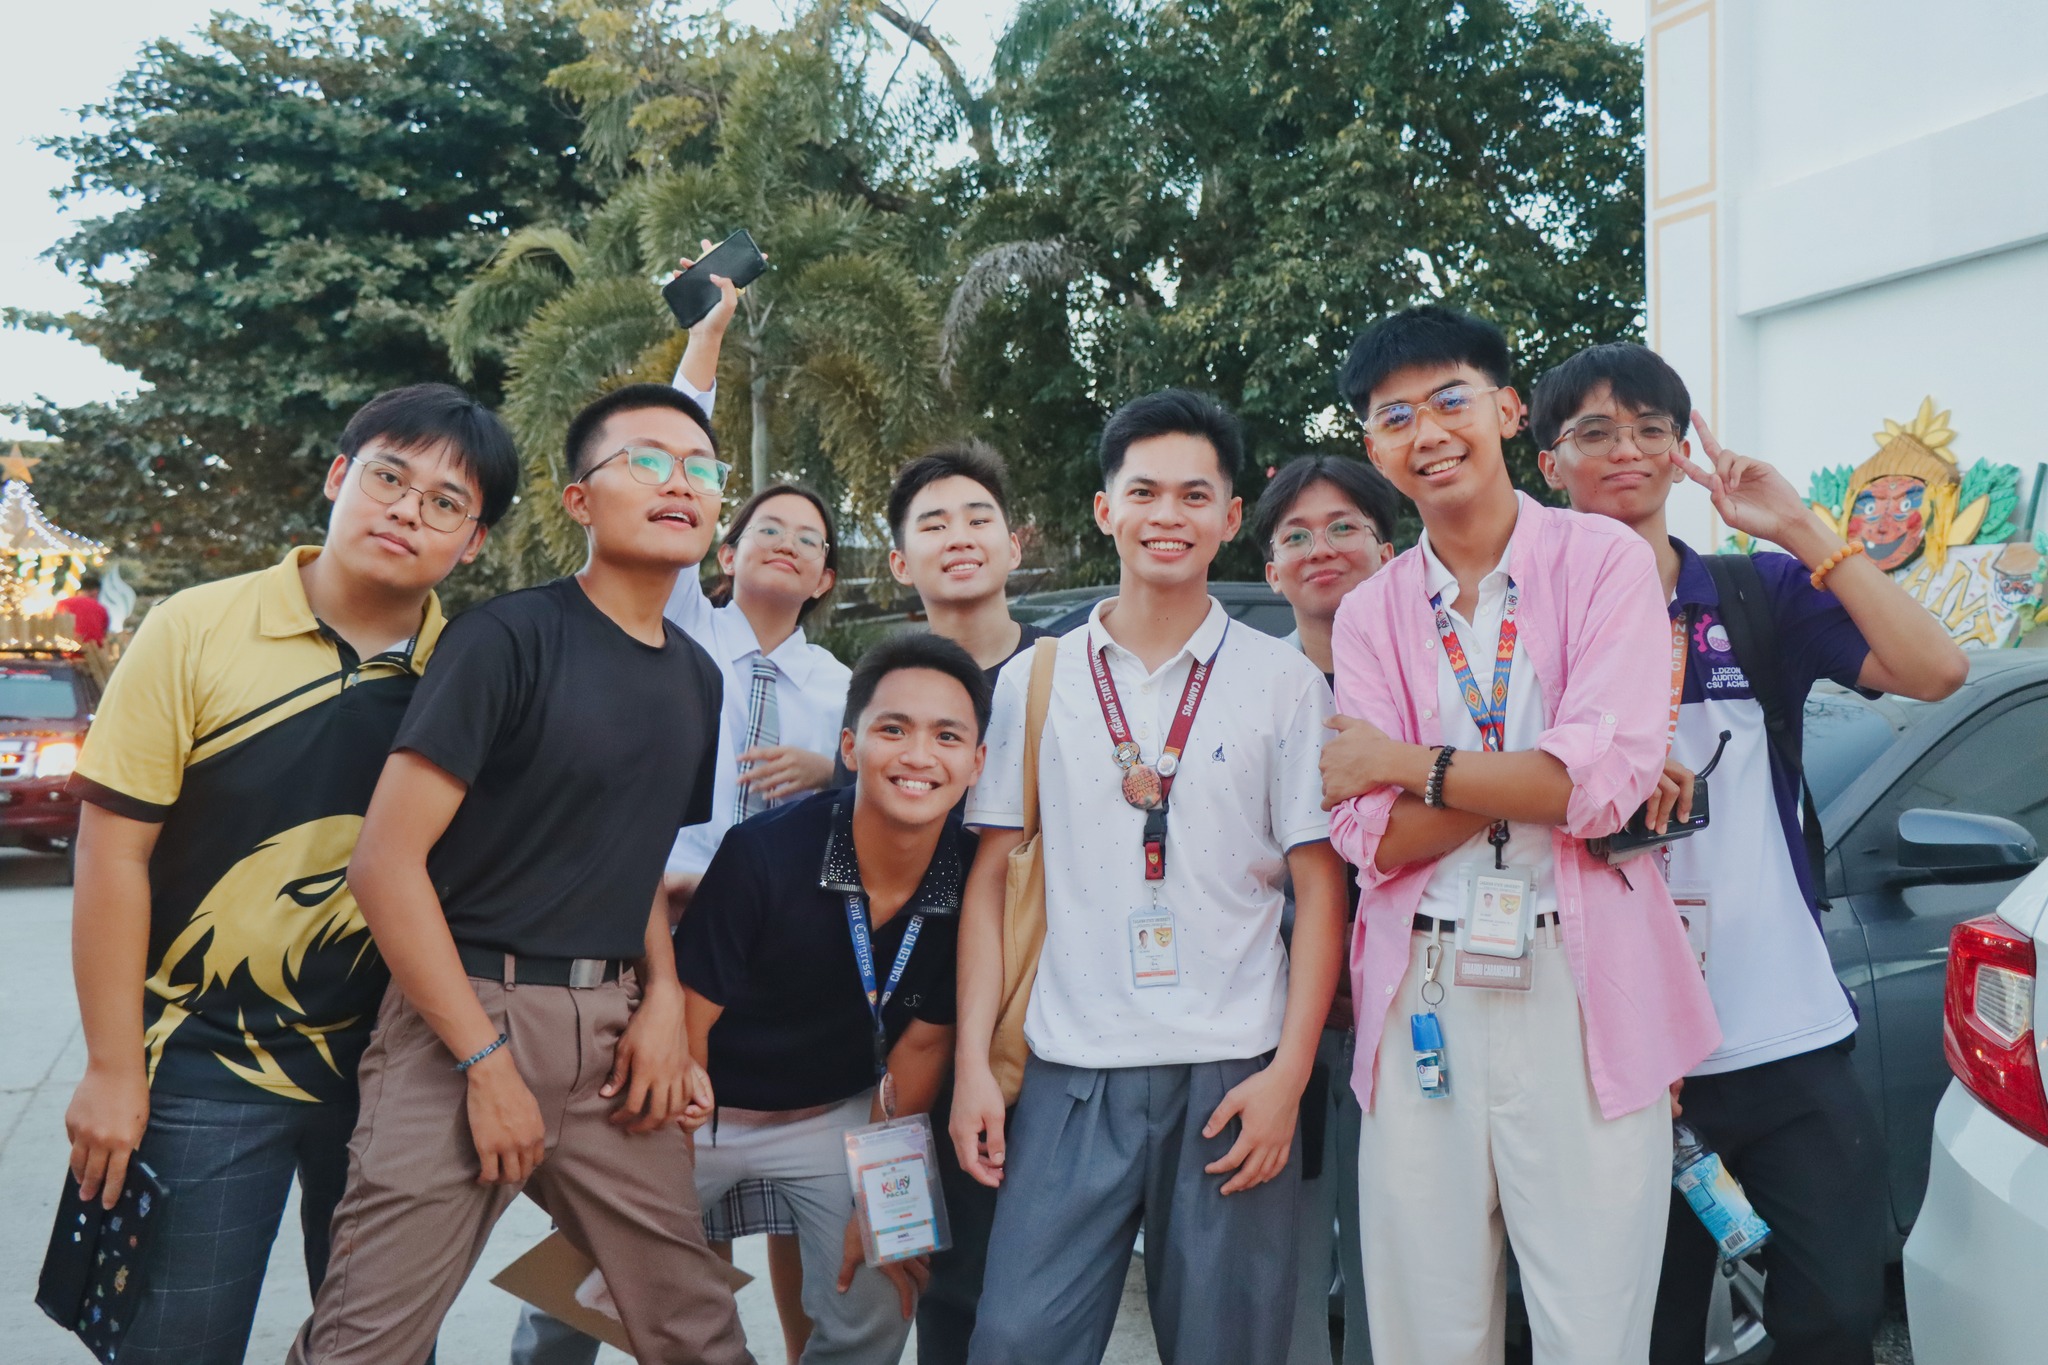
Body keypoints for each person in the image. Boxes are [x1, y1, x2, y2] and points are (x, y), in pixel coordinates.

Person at [288, 382, 751, 1365]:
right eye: (646, 461)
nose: (679, 483)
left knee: (698, 1332)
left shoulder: (697, 678)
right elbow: (385, 865)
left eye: (701, 469)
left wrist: (664, 1003)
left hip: (612, 1038)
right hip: (459, 1021)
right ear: (579, 500)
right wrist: (484, 1064)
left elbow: (633, 861)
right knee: (364, 1346)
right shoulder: (505, 639)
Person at [1529, 341, 1966, 1365]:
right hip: (1615, 1046)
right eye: (1594, 431)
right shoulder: (1524, 619)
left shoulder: (1753, 592)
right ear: (1549, 463)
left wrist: (1799, 524)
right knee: (1644, 1335)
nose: (1626, 450)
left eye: (1650, 428)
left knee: (1835, 1314)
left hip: (1782, 1030)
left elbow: (1937, 669)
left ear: (1679, 451)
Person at [60, 383, 516, 1365]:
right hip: (201, 1060)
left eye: (446, 502)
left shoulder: (473, 671)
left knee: (386, 1349)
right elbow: (111, 853)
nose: (408, 510)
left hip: (395, 1067)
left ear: (474, 542)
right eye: (389, 477)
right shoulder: (195, 627)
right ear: (339, 475)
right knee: (175, 1343)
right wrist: (111, 1064)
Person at [1319, 305, 1719, 1365]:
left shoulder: (1599, 561)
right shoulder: (1370, 613)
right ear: (1374, 447)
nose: (1427, 431)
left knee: (1593, 1328)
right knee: (1425, 1331)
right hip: (1425, 989)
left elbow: (1600, 784)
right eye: (1394, 416)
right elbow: (1369, 836)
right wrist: (1533, 778)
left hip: (1584, 984)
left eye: (1449, 399)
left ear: (1503, 410)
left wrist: (1408, 763)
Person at [954, 389, 1348, 1365]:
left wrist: (1288, 1077)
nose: (1166, 515)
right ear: (1105, 509)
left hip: (1233, 1072)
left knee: (1227, 1349)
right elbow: (991, 879)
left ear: (1228, 516)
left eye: (1193, 495)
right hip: (1069, 1071)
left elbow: (1319, 890)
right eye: (1143, 492)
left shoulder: (1282, 682)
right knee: (1015, 1340)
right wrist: (971, 1068)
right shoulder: (1036, 677)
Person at [511, 246, 844, 1365]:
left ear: (826, 577)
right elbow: (671, 450)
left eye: (809, 538)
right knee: (617, 1189)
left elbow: (893, 792)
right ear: (725, 549)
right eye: (767, 528)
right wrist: (704, 342)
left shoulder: (843, 687)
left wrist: (832, 773)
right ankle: (551, 1346)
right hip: (652, 929)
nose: (785, 544)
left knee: (738, 1173)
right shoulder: (683, 626)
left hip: (770, 957)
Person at [677, 632, 989, 1365]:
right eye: (893, 729)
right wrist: (660, 1176)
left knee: (887, 1286)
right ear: (850, 746)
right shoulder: (765, 851)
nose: (919, 755)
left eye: (947, 736)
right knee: (592, 1284)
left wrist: (882, 1200)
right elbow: (686, 1028)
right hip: (702, 1109)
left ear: (977, 762)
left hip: (834, 1115)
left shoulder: (971, 873)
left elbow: (924, 1043)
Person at [877, 438, 1049, 1365]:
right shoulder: (885, 686)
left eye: (979, 517)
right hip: (905, 1015)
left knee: (1017, 1281)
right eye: (934, 523)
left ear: (1014, 544)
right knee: (919, 1270)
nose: (960, 536)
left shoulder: (1066, 673)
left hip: (1032, 1018)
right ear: (900, 561)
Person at [1247, 453, 1400, 1365]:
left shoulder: (1438, 681)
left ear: (1390, 550)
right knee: (1285, 1266)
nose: (1321, 548)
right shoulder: (1245, 688)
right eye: (1296, 535)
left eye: (1346, 526)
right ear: (1271, 570)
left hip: (1416, 1009)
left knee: (1407, 1260)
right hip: (1280, 1020)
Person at [58, 569, 110, 645]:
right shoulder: (101, 609)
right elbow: (104, 634)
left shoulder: (62, 604)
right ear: (95, 592)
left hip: (65, 648)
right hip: (92, 650)